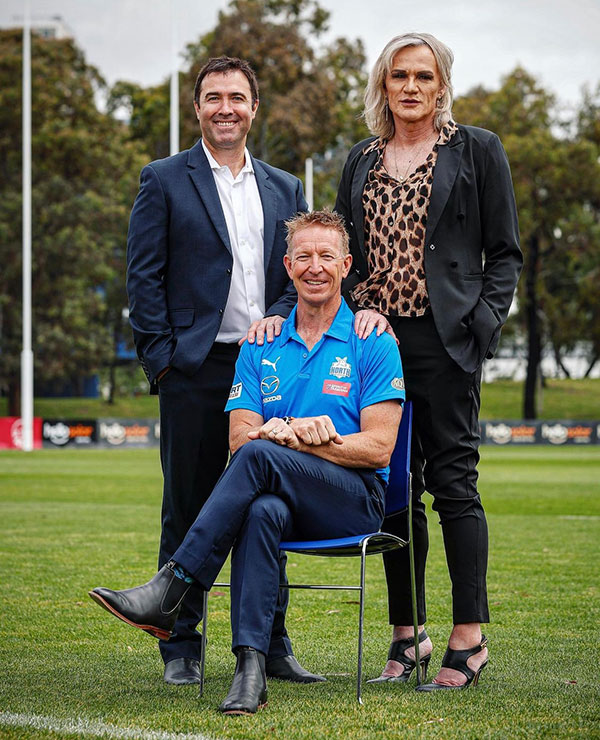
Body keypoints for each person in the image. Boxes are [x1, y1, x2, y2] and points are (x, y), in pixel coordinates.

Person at [90, 210, 405, 714]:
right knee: (261, 511)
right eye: (303, 256)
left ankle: (172, 588)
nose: (315, 267)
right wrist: (272, 435)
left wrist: (305, 440)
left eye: (327, 256)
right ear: (287, 265)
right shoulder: (261, 344)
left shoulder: (373, 338)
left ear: (346, 265)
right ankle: (250, 668)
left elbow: (380, 449)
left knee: (261, 457)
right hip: (282, 495)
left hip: (353, 500)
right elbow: (240, 439)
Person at [334, 33, 522, 691]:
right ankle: (406, 634)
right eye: (398, 76)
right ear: (382, 87)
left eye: (423, 75)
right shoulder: (359, 159)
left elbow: (505, 254)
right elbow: (345, 254)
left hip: (446, 344)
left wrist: (481, 322)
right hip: (376, 349)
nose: (410, 87)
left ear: (441, 85)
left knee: (454, 486)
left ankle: (468, 639)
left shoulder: (477, 150)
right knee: (391, 490)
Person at [126, 55, 320, 686]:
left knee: (268, 506)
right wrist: (164, 363)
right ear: (199, 108)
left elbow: (298, 279)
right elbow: (144, 278)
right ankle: (180, 644)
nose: (226, 108)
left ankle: (273, 642)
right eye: (214, 98)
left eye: (238, 97)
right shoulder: (163, 180)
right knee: (187, 504)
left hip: (268, 370)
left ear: (254, 107)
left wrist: (284, 322)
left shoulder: (285, 188)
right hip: (196, 369)